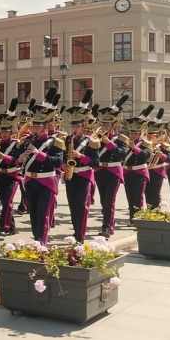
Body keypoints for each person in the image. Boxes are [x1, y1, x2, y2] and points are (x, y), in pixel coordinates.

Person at [17, 88, 64, 245]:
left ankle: (41, 243)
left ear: (45, 126)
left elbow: (57, 162)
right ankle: (36, 241)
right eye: (33, 126)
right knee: (33, 214)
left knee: (43, 214)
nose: (34, 129)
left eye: (38, 127)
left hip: (47, 182)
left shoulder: (55, 142)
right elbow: (17, 160)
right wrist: (19, 159)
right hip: (31, 181)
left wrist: (39, 154)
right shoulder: (26, 141)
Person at [63, 90, 101, 242]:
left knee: (82, 207)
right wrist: (63, 165)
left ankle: (81, 236)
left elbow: (95, 162)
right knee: (72, 206)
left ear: (83, 127)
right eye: (73, 127)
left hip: (84, 176)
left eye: (77, 127)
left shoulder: (91, 141)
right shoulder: (67, 140)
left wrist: (80, 156)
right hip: (71, 176)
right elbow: (62, 158)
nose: (74, 129)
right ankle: (76, 231)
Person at [94, 95, 129, 238]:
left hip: (114, 172)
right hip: (99, 171)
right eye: (103, 124)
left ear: (113, 125)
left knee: (109, 200)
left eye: (108, 124)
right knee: (103, 201)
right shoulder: (95, 138)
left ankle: (106, 228)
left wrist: (108, 143)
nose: (105, 127)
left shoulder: (121, 139)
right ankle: (110, 223)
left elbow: (122, 154)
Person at [0, 99, 24, 236]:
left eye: (6, 131)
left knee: (8, 201)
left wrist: (5, 157)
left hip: (12, 176)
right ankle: (11, 227)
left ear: (12, 132)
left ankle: (4, 228)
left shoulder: (17, 144)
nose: (3, 134)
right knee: (6, 203)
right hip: (0, 175)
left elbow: (18, 162)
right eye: (2, 131)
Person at [123, 105, 155, 225]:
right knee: (130, 197)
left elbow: (146, 155)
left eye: (136, 133)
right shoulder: (125, 142)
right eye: (131, 133)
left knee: (138, 197)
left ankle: (138, 219)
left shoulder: (145, 143)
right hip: (127, 173)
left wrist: (134, 148)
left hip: (140, 173)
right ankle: (132, 219)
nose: (133, 135)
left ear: (140, 133)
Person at [144, 109, 170, 210]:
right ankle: (149, 211)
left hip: (158, 171)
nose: (151, 137)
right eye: (149, 135)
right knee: (147, 193)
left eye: (153, 135)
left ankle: (156, 211)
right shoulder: (144, 144)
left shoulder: (163, 144)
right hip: (147, 170)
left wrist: (162, 155)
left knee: (155, 193)